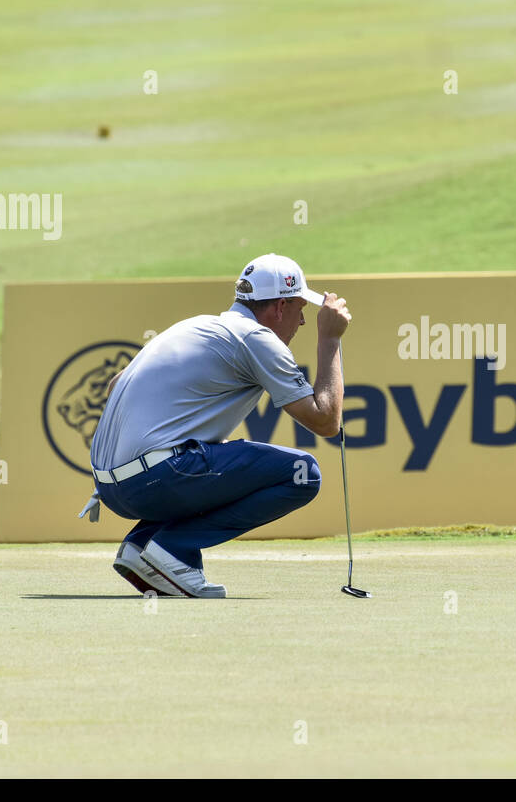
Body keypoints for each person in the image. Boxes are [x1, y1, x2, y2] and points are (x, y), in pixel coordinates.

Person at [83, 253, 350, 598]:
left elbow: (115, 384)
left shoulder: (193, 325)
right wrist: (330, 339)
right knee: (302, 473)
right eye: (301, 309)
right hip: (154, 481)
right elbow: (326, 421)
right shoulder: (258, 338)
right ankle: (173, 549)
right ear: (281, 307)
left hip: (109, 488)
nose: (302, 322)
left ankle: (143, 543)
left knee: (213, 457)